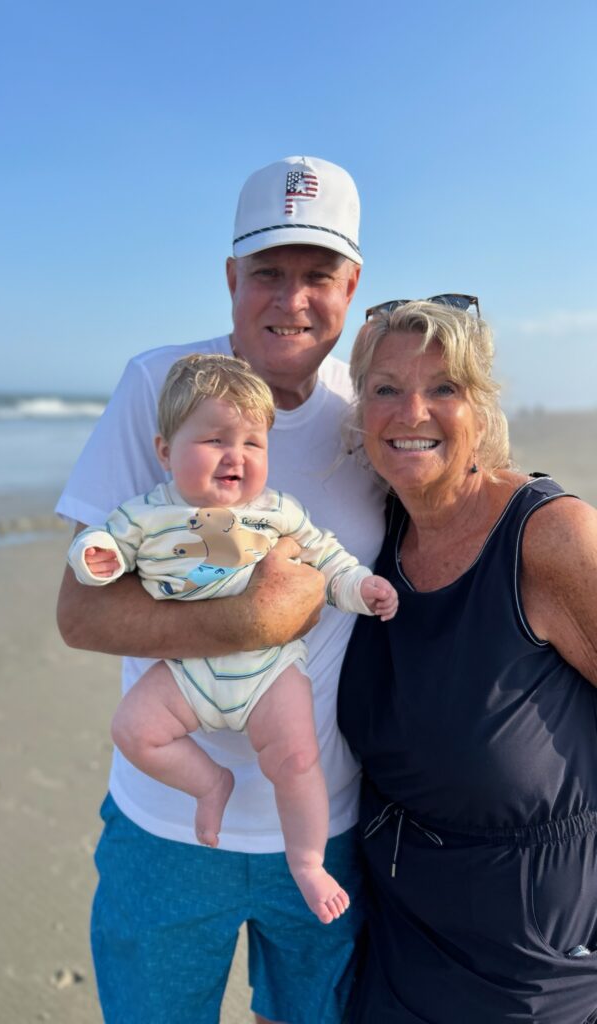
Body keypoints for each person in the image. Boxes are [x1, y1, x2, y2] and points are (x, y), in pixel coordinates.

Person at [56, 155, 385, 1024]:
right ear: (230, 276)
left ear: (352, 286)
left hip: (326, 824)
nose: (292, 299)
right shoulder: (158, 390)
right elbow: (80, 612)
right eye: (267, 273)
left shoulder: (374, 413)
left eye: (318, 275)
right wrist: (255, 616)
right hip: (166, 828)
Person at [336, 297, 597, 1023]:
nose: (410, 411)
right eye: (385, 388)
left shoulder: (550, 537)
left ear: (480, 408)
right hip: (396, 938)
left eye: (443, 388)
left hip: (530, 968)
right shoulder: (373, 533)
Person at [67, 353, 397, 924]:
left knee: (297, 758)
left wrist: (360, 587)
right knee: (133, 730)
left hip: (269, 671)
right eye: (215, 439)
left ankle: (308, 862)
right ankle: (208, 782)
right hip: (188, 671)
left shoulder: (277, 512)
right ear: (165, 452)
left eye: (252, 443)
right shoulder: (145, 514)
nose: (235, 456)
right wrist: (93, 559)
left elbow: (327, 558)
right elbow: (105, 547)